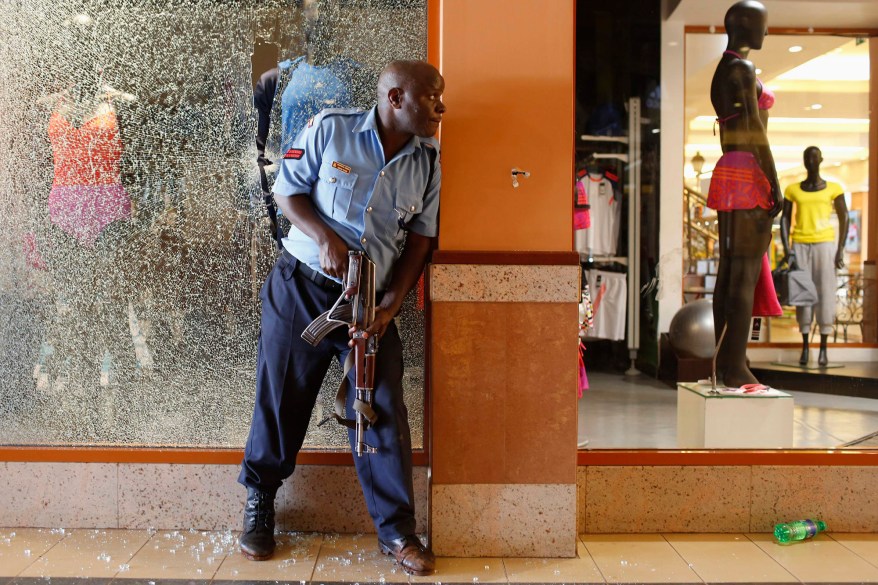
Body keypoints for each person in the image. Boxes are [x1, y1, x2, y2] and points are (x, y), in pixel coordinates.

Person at [237, 60, 445, 577]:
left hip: (370, 304)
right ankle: (260, 504)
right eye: (432, 98)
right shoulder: (332, 128)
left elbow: (421, 239)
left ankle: (396, 531)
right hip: (303, 287)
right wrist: (326, 238)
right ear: (395, 98)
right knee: (282, 396)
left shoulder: (428, 163)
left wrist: (393, 302)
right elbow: (288, 189)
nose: (442, 108)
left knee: (381, 409)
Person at [707, 0, 783, 388]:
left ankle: (726, 361)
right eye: (764, 25)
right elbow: (754, 129)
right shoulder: (742, 68)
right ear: (746, 26)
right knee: (744, 275)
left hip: (728, 171)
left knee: (729, 273)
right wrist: (775, 180)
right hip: (747, 173)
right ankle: (734, 366)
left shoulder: (725, 67)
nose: (767, 33)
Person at [781, 146, 849, 366]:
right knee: (803, 295)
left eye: (814, 157)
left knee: (825, 292)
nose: (811, 161)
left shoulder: (834, 189)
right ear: (803, 161)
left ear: (821, 160)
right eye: (807, 157)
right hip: (799, 244)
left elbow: (844, 217)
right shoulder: (792, 190)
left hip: (824, 244)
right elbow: (785, 218)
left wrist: (840, 248)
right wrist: (786, 248)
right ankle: (805, 346)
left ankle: (823, 348)